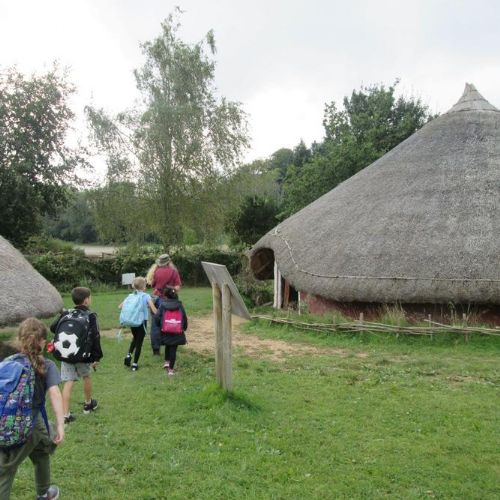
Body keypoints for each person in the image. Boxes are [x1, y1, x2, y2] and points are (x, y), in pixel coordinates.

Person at [0, 318, 65, 500]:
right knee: (7, 470)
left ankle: (44, 493)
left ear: (19, 339)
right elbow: (55, 394)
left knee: (42, 451)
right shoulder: (47, 365)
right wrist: (60, 425)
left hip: (4, 421)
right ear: (43, 342)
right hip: (29, 426)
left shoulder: (7, 362)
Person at [50, 287, 103, 424]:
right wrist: (96, 357)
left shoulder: (67, 313)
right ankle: (88, 404)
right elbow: (96, 337)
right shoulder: (91, 316)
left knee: (68, 382)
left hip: (66, 354)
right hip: (83, 355)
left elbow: (52, 328)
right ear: (86, 300)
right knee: (86, 376)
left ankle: (65, 416)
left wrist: (63, 315)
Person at [121, 277, 157, 371]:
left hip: (132, 322)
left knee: (135, 338)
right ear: (144, 287)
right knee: (139, 343)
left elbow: (120, 307)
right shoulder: (146, 296)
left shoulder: (130, 296)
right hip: (141, 322)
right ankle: (134, 364)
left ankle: (129, 355)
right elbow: (154, 310)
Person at [149, 254, 182, 355]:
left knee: (155, 324)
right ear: (169, 262)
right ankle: (169, 344)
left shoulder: (155, 271)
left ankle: (156, 348)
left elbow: (153, 285)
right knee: (169, 322)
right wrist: (171, 289)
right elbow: (177, 287)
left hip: (156, 299)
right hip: (169, 300)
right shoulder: (173, 272)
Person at [154, 286, 188, 376]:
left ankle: (166, 362)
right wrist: (184, 328)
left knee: (167, 345)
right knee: (173, 349)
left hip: (165, 330)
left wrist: (159, 325)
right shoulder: (180, 305)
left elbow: (157, 317)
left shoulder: (162, 305)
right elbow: (184, 317)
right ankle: (171, 370)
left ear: (165, 296)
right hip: (177, 331)